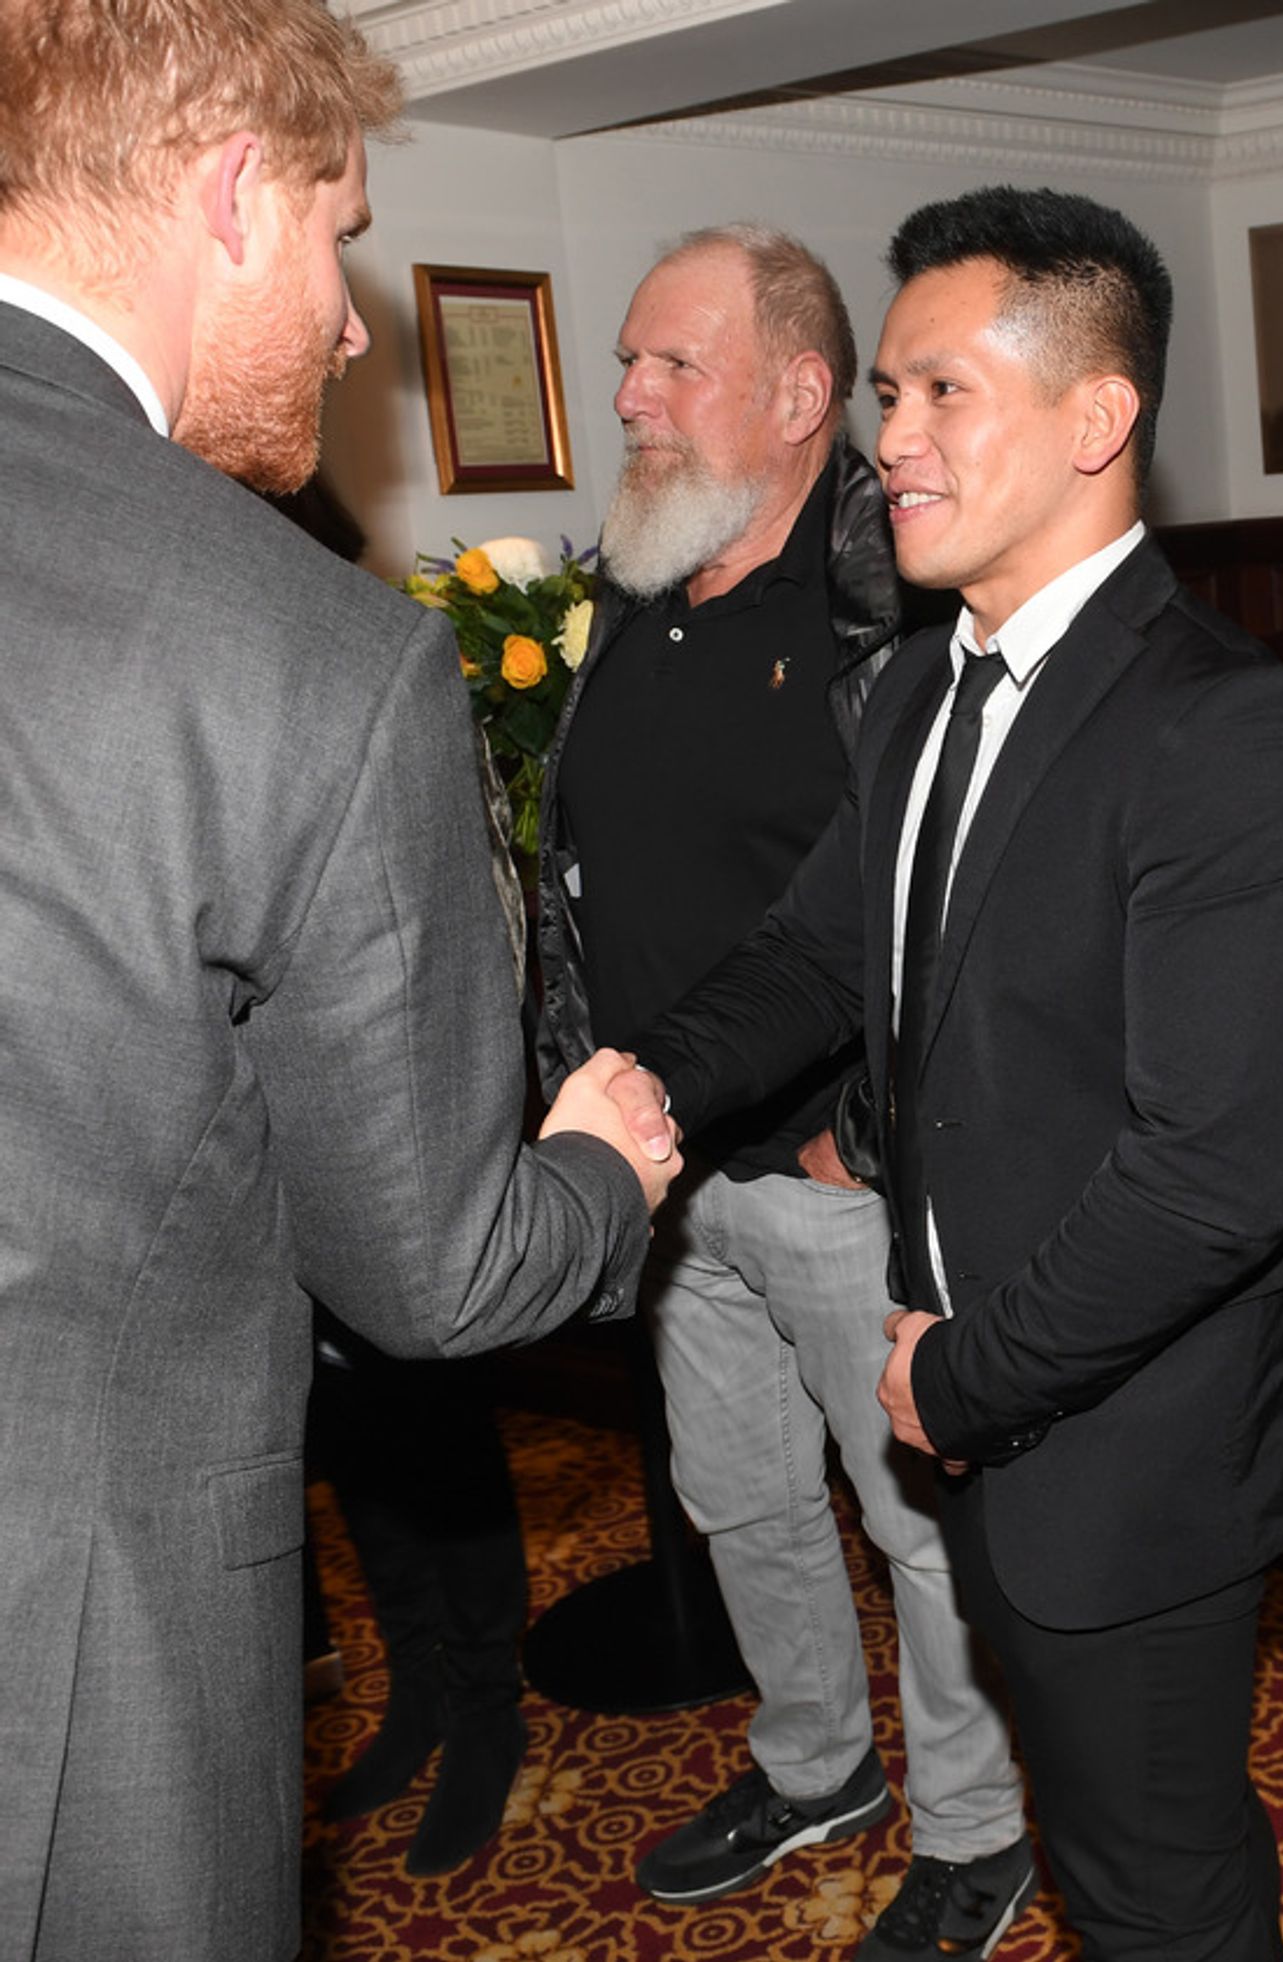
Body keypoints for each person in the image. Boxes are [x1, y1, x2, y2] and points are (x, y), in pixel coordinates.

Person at [0, 4, 678, 1958]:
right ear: (232, 194)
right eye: (339, 232)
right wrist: (603, 1166)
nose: (356, 324)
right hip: (75, 1657)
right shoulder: (301, 650)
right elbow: (433, 1273)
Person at [632, 185, 1283, 1961]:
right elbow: (818, 957)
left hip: (1129, 1448)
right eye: (889, 395)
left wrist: (960, 1379)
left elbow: (1211, 1178)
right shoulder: (912, 694)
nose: (893, 442)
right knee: (1119, 1843)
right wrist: (641, 1086)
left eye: (944, 392)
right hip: (979, 1422)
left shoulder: (1224, 728)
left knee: (1158, 1888)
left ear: (1098, 418)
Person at [537, 223, 1031, 1959]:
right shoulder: (636, 589)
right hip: (672, 1174)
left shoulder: (898, 617)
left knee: (918, 1519)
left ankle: (976, 1827)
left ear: (804, 393)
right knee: (740, 1495)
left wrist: (864, 1136)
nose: (631, 396)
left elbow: (961, 912)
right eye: (629, 361)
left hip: (842, 1175)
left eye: (675, 364)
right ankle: (818, 1764)